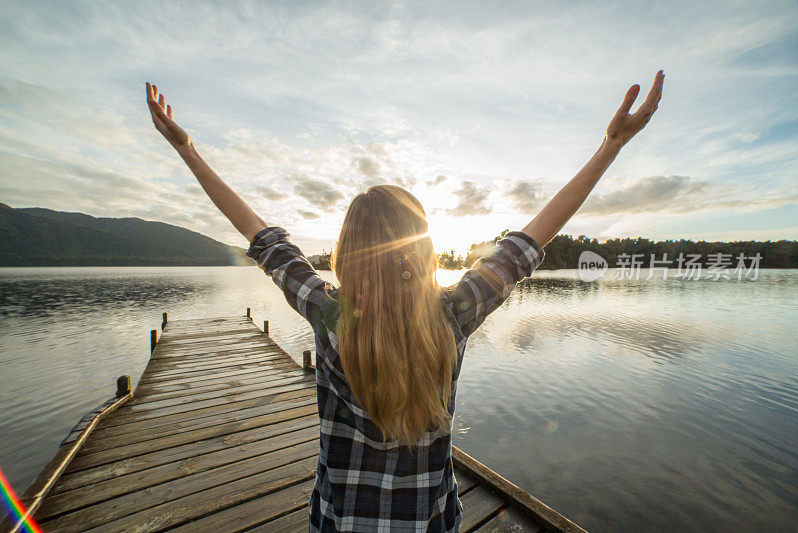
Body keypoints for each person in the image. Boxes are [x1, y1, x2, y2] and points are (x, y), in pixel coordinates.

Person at [145, 70, 664, 532]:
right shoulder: (453, 313)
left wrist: (187, 148)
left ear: (348, 255)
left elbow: (264, 240)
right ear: (424, 251)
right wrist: (610, 146)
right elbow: (528, 241)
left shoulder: (331, 316)